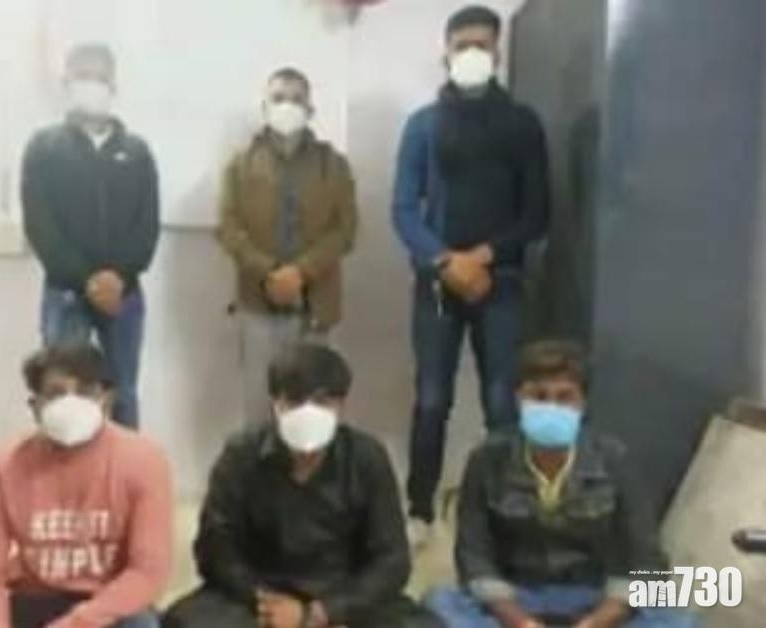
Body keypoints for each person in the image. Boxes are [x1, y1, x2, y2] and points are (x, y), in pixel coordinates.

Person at [392, 5, 551, 542]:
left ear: (498, 52)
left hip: (500, 284)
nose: (472, 54)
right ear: (445, 52)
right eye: (463, 45)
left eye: (482, 45)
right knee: (431, 399)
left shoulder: (522, 124)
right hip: (437, 283)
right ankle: (419, 511)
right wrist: (445, 260)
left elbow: (537, 214)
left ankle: (505, 511)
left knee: (503, 403)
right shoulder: (423, 125)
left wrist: (482, 256)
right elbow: (404, 211)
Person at [425, 340, 702, 628]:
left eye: (564, 397)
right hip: (516, 594)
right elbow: (474, 556)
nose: (551, 407)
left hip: (595, 593)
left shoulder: (614, 459)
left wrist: (598, 621)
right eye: (539, 396)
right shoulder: (487, 459)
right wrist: (521, 622)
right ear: (519, 399)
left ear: (582, 404)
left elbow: (646, 558)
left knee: (678, 621)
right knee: (441, 605)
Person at [163, 345, 440, 628]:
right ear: (275, 403)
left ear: (341, 405)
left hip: (344, 591)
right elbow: (214, 548)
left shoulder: (367, 457)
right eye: (295, 400)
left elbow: (392, 559)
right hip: (259, 594)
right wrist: (266, 603)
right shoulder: (241, 455)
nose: (308, 413)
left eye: (322, 401)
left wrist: (323, 613)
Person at [0, 343, 172, 628]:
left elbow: (147, 572)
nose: (71, 403)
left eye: (85, 392)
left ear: (107, 400)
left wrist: (78, 623)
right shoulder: (4, 466)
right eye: (56, 393)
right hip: (33, 598)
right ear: (35, 406)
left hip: (108, 605)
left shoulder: (144, 461)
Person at [22, 42, 160, 428]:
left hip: (124, 295)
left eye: (99, 76)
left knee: (123, 392)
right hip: (65, 293)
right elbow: (41, 226)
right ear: (66, 83)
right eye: (83, 75)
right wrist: (87, 280)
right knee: (64, 392)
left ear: (114, 85)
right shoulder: (44, 148)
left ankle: (124, 466)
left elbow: (146, 227)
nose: (91, 84)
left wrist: (118, 278)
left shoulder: (136, 152)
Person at [216, 68, 358, 424]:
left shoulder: (333, 165)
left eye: (296, 99)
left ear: (310, 110)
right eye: (279, 98)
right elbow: (228, 228)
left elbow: (345, 230)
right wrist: (269, 273)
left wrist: (300, 272)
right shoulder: (240, 165)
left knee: (312, 409)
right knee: (259, 410)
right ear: (264, 108)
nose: (287, 106)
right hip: (257, 303)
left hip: (315, 306)